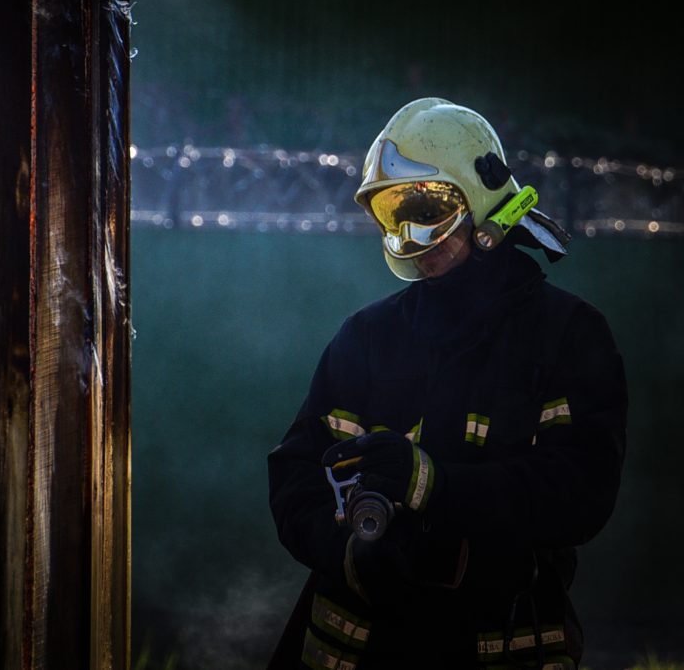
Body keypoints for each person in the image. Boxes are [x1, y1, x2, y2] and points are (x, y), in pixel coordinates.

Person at [267, 98, 627, 669]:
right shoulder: (365, 336)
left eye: (426, 207)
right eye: (392, 215)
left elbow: (582, 494)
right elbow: (294, 475)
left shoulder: (568, 335)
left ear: (481, 195)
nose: (413, 237)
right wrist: (353, 555)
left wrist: (432, 487)